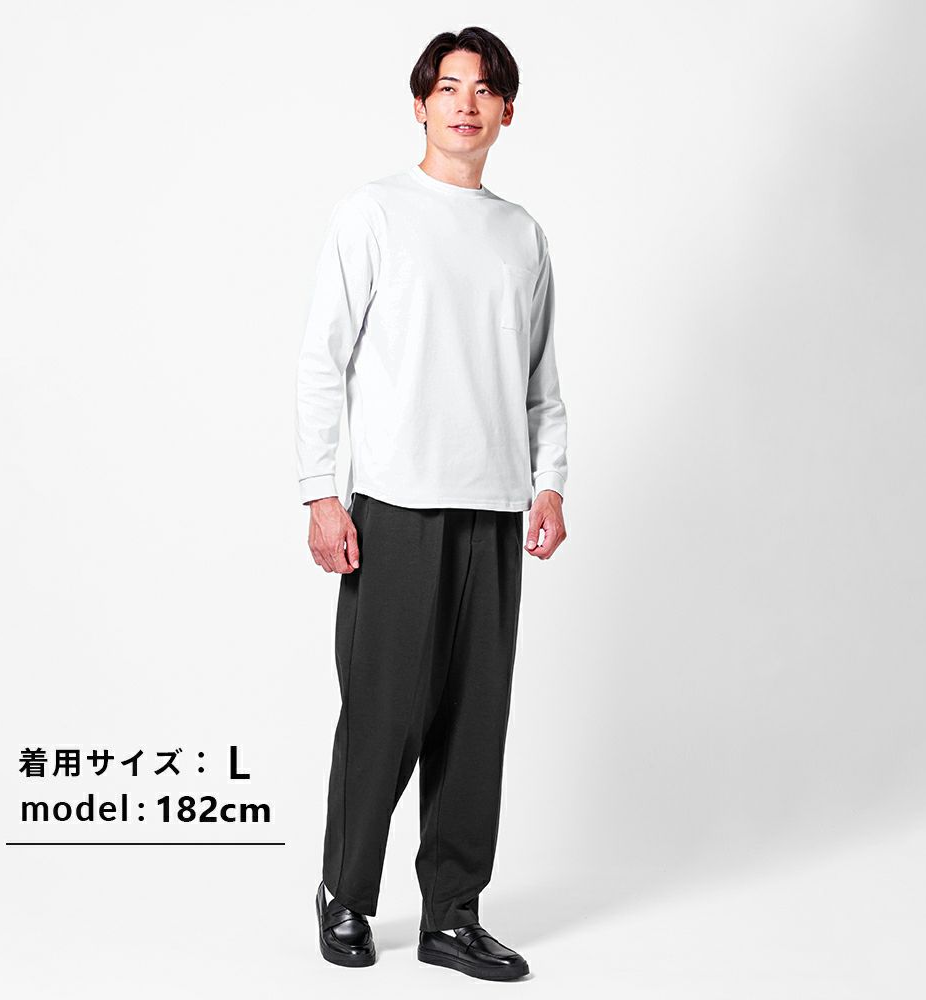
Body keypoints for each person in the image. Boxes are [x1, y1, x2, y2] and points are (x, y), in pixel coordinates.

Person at [295, 25, 568, 982]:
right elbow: (322, 360)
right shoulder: (374, 213)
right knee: (383, 713)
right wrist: (319, 494)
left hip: (493, 507)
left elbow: (541, 381)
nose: (465, 104)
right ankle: (346, 895)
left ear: (506, 111)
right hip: (398, 504)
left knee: (474, 722)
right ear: (420, 104)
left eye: (484, 89)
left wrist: (549, 480)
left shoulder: (521, 235)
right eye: (449, 87)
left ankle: (453, 914)